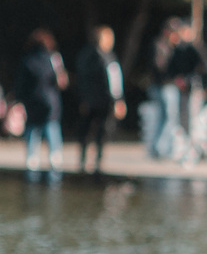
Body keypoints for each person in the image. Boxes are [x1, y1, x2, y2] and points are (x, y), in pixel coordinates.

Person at [161, 20, 207, 166]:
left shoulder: (196, 49)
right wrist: (176, 79)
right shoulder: (179, 50)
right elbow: (170, 70)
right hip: (183, 91)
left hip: (194, 90)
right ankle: (186, 150)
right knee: (183, 122)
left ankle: (194, 151)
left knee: (193, 121)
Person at [74, 28, 126, 174]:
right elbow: (83, 81)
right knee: (87, 131)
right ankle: (84, 161)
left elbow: (115, 82)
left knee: (102, 132)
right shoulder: (91, 57)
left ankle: (97, 162)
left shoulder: (108, 57)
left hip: (103, 101)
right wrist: (83, 99)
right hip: (94, 101)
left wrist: (118, 100)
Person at [18, 30, 68, 177]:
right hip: (50, 102)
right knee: (52, 130)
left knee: (33, 131)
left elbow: (21, 85)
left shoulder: (27, 60)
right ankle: (55, 160)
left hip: (33, 101)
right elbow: (62, 81)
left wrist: (20, 100)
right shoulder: (55, 58)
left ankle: (31, 160)